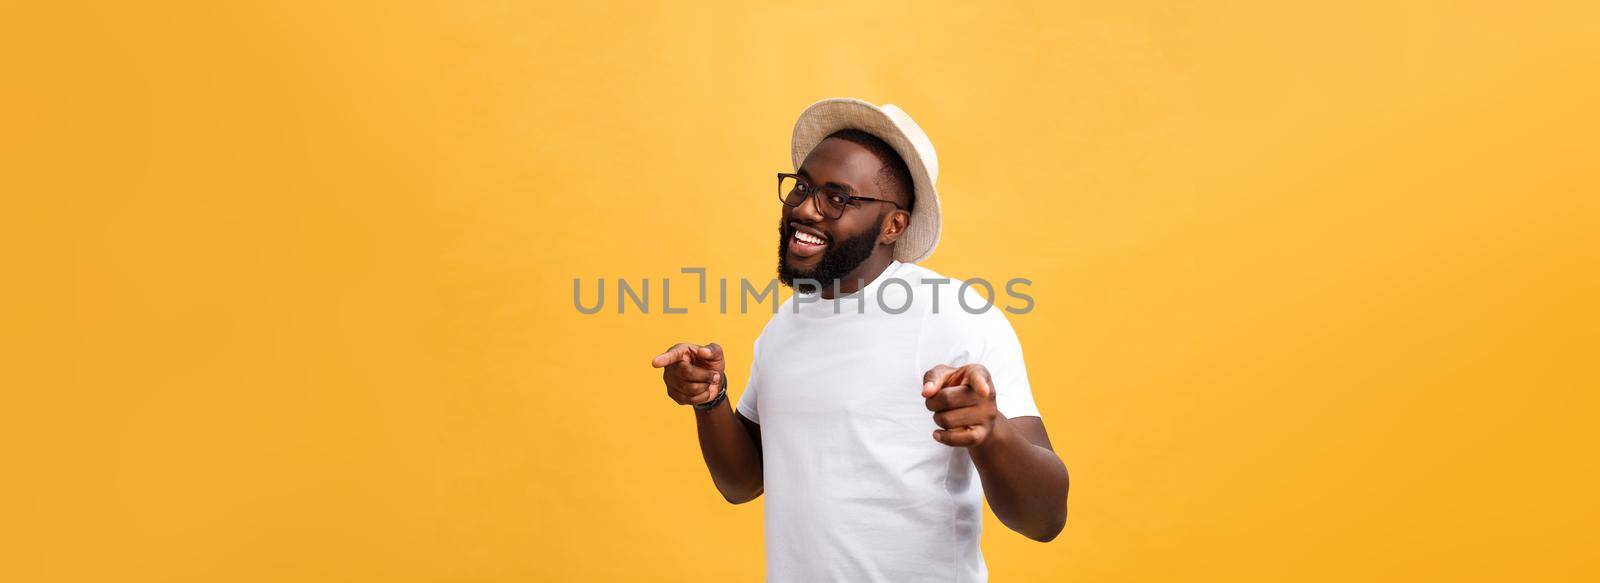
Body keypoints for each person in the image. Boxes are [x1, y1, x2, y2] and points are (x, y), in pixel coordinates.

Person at [651, 98, 1069, 582]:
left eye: (838, 198)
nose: (806, 208)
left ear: (894, 225)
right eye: (802, 187)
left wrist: (990, 432)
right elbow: (742, 483)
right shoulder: (784, 328)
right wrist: (710, 399)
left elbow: (1045, 519)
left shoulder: (957, 316)